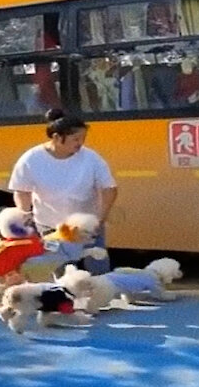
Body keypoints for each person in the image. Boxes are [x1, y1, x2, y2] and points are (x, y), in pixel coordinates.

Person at [8, 108, 118, 274]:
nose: (80, 143)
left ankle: (99, 299)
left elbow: (109, 188)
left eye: (83, 138)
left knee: (98, 269)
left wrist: (100, 219)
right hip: (51, 227)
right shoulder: (31, 159)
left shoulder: (91, 158)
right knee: (60, 273)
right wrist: (25, 214)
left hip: (86, 226)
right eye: (76, 139)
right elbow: (22, 191)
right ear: (57, 138)